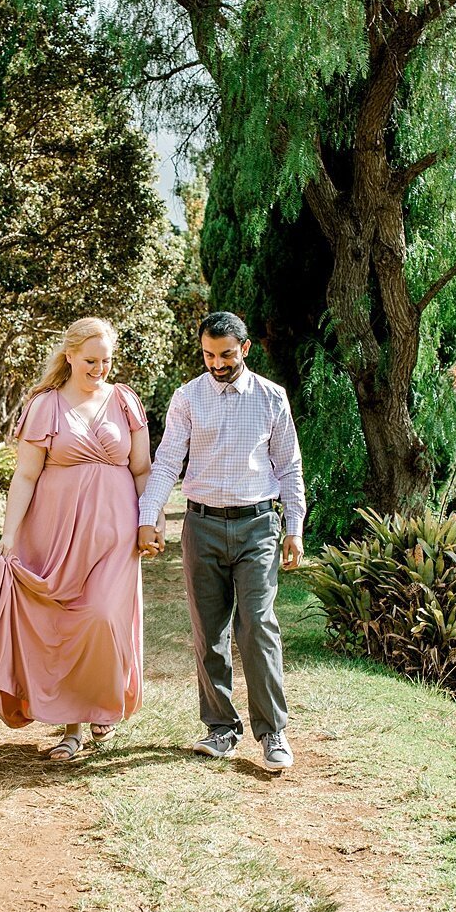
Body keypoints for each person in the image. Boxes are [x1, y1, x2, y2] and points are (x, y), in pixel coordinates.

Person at [136, 311, 306, 771]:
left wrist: (294, 528)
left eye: (226, 354)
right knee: (208, 631)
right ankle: (220, 729)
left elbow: (289, 467)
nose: (217, 363)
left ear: (245, 349)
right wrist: (148, 516)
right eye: (209, 355)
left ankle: (272, 733)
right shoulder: (187, 397)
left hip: (257, 526)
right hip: (202, 526)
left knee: (257, 624)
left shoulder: (272, 398)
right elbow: (168, 460)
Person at [0, 317, 152, 761]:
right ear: (70, 355)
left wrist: (151, 521)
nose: (100, 368)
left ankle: (104, 703)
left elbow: (142, 470)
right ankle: (73, 728)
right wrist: (9, 534)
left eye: (107, 360)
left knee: (101, 616)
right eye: (91, 360)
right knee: (67, 624)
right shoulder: (46, 406)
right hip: (57, 534)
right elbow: (25, 474)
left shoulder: (125, 401)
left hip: (116, 534)